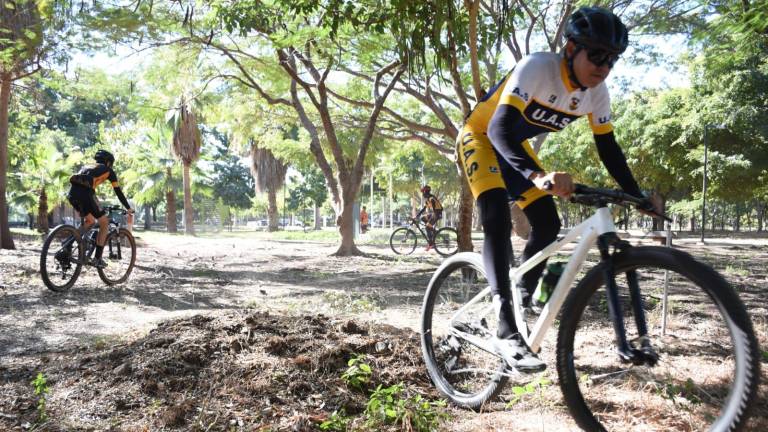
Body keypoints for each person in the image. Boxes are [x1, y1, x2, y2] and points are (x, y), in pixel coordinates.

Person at [457, 7, 654, 372]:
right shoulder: (537, 68)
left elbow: (608, 149)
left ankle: (521, 291)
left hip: (516, 150)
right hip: (482, 138)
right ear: (571, 48)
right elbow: (499, 129)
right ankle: (505, 326)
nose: (603, 66)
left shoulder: (596, 94)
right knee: (497, 217)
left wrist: (637, 194)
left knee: (547, 224)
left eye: (611, 60)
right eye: (595, 55)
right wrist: (535, 176)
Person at [67, 149, 133, 269]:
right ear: (108, 162)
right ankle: (97, 258)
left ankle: (67, 244)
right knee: (104, 222)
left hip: (72, 193)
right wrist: (128, 208)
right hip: (86, 194)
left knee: (91, 221)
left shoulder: (87, 165)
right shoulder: (109, 171)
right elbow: (118, 191)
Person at [415, 185, 443, 251]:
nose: (422, 194)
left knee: (427, 227)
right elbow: (424, 209)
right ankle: (433, 231)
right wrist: (417, 216)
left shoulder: (431, 198)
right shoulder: (428, 199)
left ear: (425, 192)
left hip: (437, 213)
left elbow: (438, 209)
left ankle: (431, 244)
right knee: (422, 218)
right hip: (435, 213)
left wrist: (431, 219)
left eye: (423, 192)